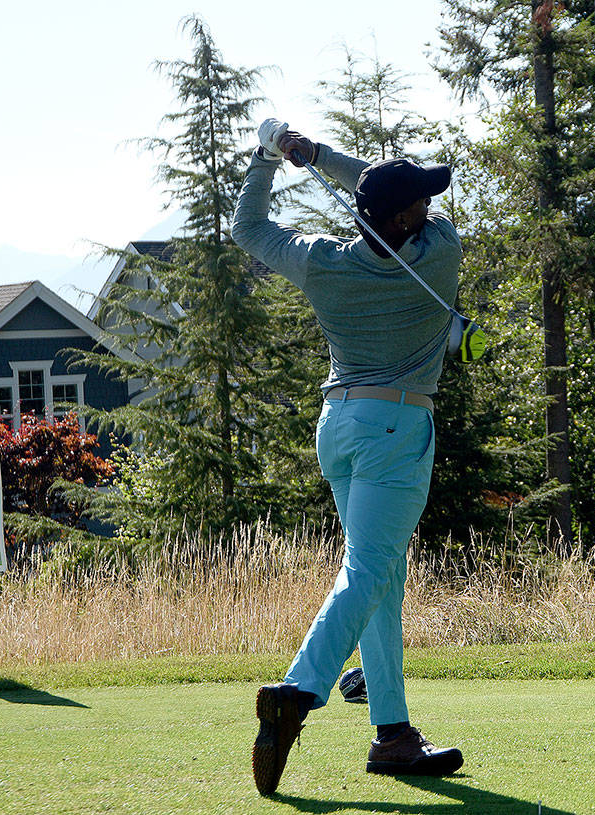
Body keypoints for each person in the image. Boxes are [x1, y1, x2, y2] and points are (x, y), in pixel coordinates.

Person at [232, 117, 464, 797]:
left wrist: (270, 156)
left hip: (339, 423)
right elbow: (368, 180)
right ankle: (298, 691)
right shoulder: (439, 252)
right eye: (419, 202)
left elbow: (249, 229)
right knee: (368, 568)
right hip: (397, 424)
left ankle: (392, 734)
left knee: (382, 575)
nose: (430, 207)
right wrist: (324, 156)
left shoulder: (323, 262)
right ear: (404, 218)